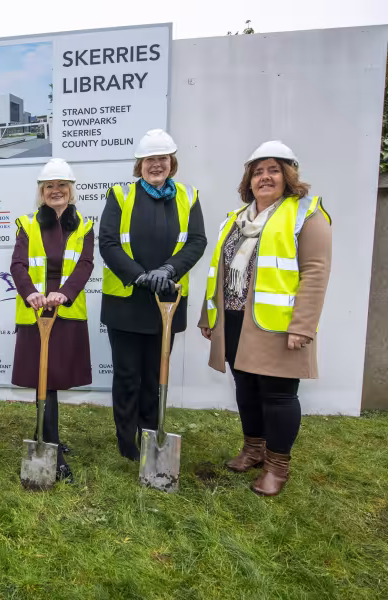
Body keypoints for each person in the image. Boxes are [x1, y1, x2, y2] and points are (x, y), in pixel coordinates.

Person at [198, 141, 331, 496]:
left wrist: (303, 326)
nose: (265, 177)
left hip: (277, 324)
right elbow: (219, 272)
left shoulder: (306, 214)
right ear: (249, 179)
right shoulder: (237, 219)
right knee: (246, 389)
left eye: (273, 170)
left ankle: (277, 466)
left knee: (278, 396)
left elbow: (316, 273)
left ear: (288, 176)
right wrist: (208, 315)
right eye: (258, 171)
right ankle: (253, 449)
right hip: (236, 321)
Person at [99, 129, 207, 461]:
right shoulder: (120, 195)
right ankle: (126, 439)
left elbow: (197, 241)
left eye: (162, 159)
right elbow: (108, 242)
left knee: (155, 373)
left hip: (168, 302)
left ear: (171, 162)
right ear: (140, 165)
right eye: (149, 160)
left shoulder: (189, 196)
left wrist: (169, 270)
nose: (156, 165)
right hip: (127, 303)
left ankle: (150, 433)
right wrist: (139, 276)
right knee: (128, 373)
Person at [10, 159, 94, 483]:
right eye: (49, 186)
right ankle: (52, 448)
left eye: (61, 185)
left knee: (55, 379)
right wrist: (30, 293)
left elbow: (85, 265)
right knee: (44, 379)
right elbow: (18, 265)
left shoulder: (83, 225)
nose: (56, 191)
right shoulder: (27, 224)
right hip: (36, 312)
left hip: (66, 312)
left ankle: (47, 434)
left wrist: (64, 292)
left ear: (70, 190)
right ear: (42, 192)